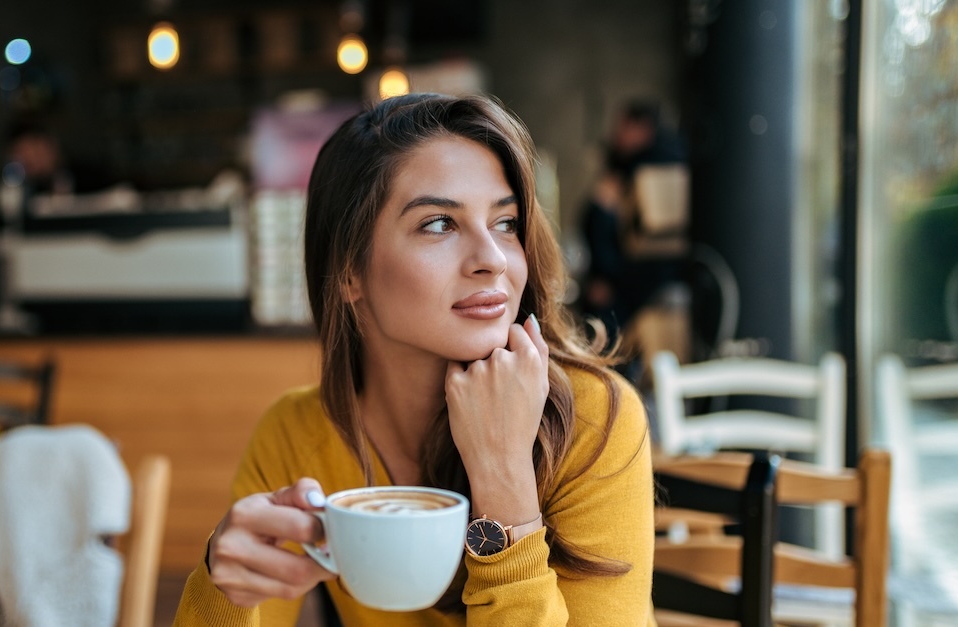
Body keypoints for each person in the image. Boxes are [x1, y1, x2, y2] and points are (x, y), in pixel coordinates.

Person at [174, 93, 655, 625]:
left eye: (505, 222)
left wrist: (505, 485)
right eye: (438, 224)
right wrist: (224, 583)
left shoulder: (592, 419)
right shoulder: (299, 434)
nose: (493, 260)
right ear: (349, 272)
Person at [579, 100, 686, 347]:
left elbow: (605, 225)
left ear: (642, 128)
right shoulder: (652, 164)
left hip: (634, 281)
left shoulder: (642, 168)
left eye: (623, 127)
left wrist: (606, 277)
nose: (616, 135)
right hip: (636, 277)